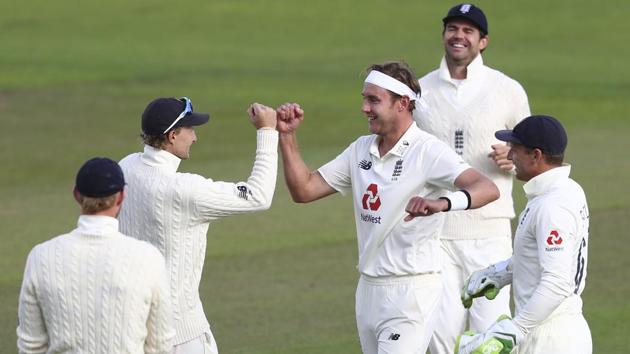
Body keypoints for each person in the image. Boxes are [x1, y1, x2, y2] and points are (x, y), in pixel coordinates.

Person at [275, 61, 500, 354]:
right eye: (364, 99)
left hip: (411, 291)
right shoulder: (360, 149)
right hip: (368, 289)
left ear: (402, 104)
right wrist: (287, 137)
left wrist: (442, 203)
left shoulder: (427, 151)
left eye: (373, 100)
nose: (364, 108)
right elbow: (304, 190)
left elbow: (487, 188)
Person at [412, 4, 531, 352]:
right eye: (452, 29)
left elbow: (534, 155)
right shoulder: (420, 92)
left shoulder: (507, 90)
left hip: (490, 234)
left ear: (483, 42)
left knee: (491, 333)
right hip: (437, 233)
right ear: (444, 35)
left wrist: (512, 158)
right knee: (439, 335)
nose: (458, 36)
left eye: (468, 31)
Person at [118, 97, 278, 353]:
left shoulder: (125, 166)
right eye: (190, 129)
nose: (195, 137)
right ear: (172, 136)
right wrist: (267, 132)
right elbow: (259, 195)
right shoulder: (184, 190)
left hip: (132, 329)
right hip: (181, 335)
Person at [457, 115, 591, 354]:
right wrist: (497, 274)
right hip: (553, 330)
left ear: (536, 155)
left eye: (515, 149)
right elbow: (540, 259)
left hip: (549, 338)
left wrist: (513, 330)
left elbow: (557, 283)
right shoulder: (567, 189)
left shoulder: (552, 207)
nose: (509, 156)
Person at [17, 157, 174, 354]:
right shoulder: (149, 258)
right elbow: (160, 346)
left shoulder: (40, 258)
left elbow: (31, 346)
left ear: (76, 195)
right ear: (121, 197)